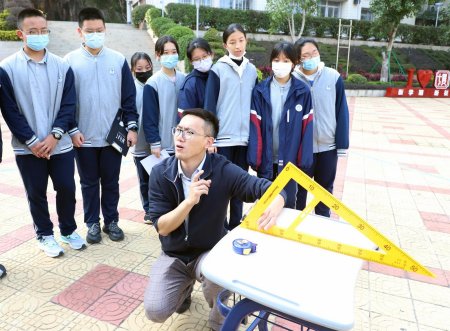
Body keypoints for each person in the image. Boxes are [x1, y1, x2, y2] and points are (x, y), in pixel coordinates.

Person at [143, 108, 285, 331]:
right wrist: (189, 201)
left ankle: (220, 321)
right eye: (178, 130)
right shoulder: (161, 173)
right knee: (155, 310)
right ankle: (184, 289)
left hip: (210, 250)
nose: (180, 137)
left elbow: (266, 188)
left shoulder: (222, 170)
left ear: (208, 141)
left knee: (217, 281)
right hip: (174, 253)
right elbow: (162, 227)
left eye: (189, 132)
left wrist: (277, 201)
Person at [0, 9, 85, 257]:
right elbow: (9, 110)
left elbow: (69, 104)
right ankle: (45, 235)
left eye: (43, 30)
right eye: (32, 32)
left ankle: (68, 230)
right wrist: (33, 141)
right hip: (27, 148)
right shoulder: (6, 69)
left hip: (60, 145)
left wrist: (54, 136)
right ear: (20, 34)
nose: (39, 35)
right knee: (36, 193)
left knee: (67, 188)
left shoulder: (62, 65)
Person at [65, 7, 138, 244]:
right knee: (88, 183)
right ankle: (92, 223)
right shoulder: (69, 62)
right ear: (80, 32)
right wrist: (73, 130)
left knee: (111, 181)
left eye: (99, 30)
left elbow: (128, 98)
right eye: (89, 31)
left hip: (111, 137)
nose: (95, 34)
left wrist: (132, 127)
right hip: (83, 137)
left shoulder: (117, 60)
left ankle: (111, 221)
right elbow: (66, 101)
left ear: (105, 30)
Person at [204, 23, 258, 230]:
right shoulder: (217, 70)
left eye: (241, 40)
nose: (237, 45)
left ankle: (236, 223)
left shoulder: (252, 70)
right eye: (232, 42)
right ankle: (220, 226)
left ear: (246, 41)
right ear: (225, 45)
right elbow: (209, 107)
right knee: (220, 185)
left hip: (244, 139)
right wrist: (211, 139)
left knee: (240, 183)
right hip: (222, 140)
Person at [248, 41, 314, 209]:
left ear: (294, 63)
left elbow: (307, 129)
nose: (280, 65)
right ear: (271, 62)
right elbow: (255, 128)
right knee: (264, 206)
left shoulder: (303, 92)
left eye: (286, 61)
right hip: (266, 162)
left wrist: (303, 161)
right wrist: (255, 159)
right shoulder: (260, 90)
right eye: (277, 60)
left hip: (290, 163)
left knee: (287, 207)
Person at [292, 38, 349, 217]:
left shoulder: (333, 77)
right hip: (301, 148)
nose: (311, 57)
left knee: (324, 193)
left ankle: (323, 228)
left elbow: (342, 112)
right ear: (298, 59)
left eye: (314, 53)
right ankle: (297, 230)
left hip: (327, 147)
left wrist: (342, 145)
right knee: (298, 192)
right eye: (305, 55)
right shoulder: (291, 79)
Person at [142, 35, 185, 158]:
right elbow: (149, 116)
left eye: (174, 52)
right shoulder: (153, 83)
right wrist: (154, 143)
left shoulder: (185, 79)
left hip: (184, 144)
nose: (170, 55)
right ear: (158, 55)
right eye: (166, 53)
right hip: (163, 147)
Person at [129, 51, 153, 224]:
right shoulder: (130, 89)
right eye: (139, 68)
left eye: (147, 67)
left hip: (157, 142)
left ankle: (160, 207)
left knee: (158, 179)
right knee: (144, 180)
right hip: (140, 145)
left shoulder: (155, 84)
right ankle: (148, 210)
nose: (144, 71)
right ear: (132, 70)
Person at [178, 38, 214, 110]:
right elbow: (185, 115)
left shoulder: (219, 75)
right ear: (191, 61)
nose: (202, 61)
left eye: (205, 56)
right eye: (197, 59)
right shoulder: (190, 84)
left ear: (211, 54)